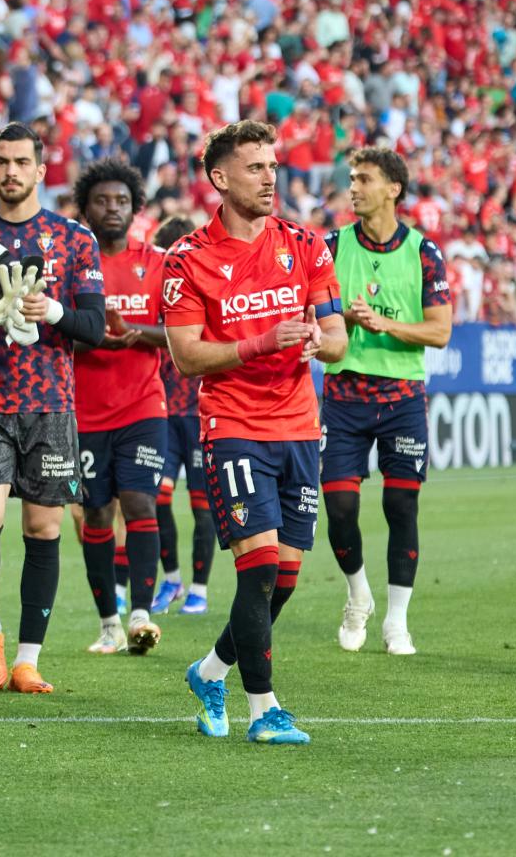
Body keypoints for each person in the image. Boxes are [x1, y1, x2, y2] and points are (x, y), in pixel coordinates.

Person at [167, 120, 347, 747]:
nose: (271, 176)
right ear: (220, 178)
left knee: (286, 578)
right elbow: (188, 356)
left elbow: (339, 338)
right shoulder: (188, 258)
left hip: (300, 425)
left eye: (273, 165)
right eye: (255, 167)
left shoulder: (305, 243)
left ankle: (210, 670)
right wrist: (264, 341)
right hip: (234, 426)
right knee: (261, 568)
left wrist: (324, 343)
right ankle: (264, 709)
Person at [0, 122, 106, 695]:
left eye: (21, 162)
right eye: (1, 162)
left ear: (39, 169)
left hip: (52, 405)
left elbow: (96, 327)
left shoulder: (76, 239)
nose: (10, 172)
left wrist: (53, 311)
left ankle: (28, 659)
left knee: (43, 527)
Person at [322, 148, 451, 656]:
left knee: (401, 504)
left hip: (401, 396)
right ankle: (359, 595)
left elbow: (439, 331)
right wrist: (345, 322)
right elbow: (316, 319)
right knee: (338, 506)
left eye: (364, 179)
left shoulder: (424, 252)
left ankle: (397, 622)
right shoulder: (331, 246)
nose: (353, 187)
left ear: (393, 189)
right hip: (345, 394)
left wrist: (383, 324)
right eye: (351, 178)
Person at [70, 158, 167, 656]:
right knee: (96, 515)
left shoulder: (158, 263)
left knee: (139, 503)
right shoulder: (71, 262)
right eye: (102, 201)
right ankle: (108, 622)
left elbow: (180, 333)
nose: (113, 209)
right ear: (85, 208)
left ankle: (142, 617)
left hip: (143, 406)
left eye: (122, 201)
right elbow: (57, 333)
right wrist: (95, 340)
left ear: (136, 209)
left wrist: (136, 335)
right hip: (84, 412)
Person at [149, 215, 214, 616]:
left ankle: (200, 589)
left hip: (200, 412)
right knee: (158, 498)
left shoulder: (205, 290)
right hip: (163, 412)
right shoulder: (159, 295)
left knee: (202, 506)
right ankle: (172, 579)